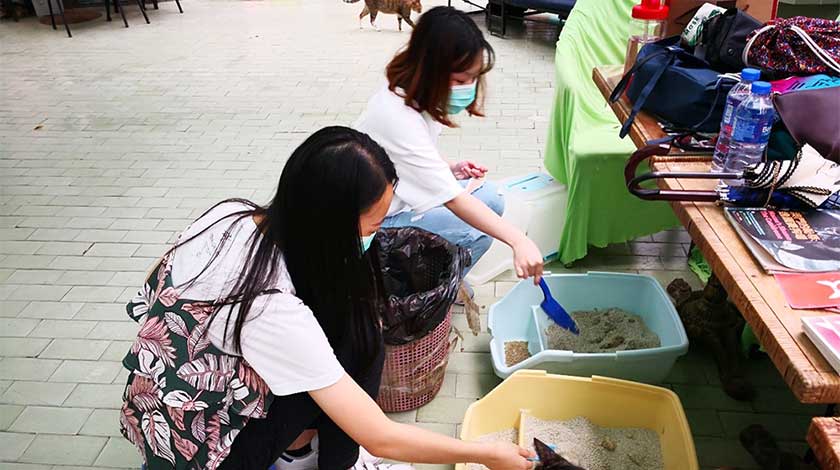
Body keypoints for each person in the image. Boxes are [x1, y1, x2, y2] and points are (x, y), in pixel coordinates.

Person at [120, 127, 534, 470]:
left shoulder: (230, 214)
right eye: (372, 228)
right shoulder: (271, 309)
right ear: (329, 226)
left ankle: (304, 449)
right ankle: (314, 460)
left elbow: (149, 297)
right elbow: (381, 437)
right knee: (359, 343)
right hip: (203, 449)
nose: (374, 237)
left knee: (352, 331)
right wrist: (484, 453)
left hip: (153, 401)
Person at [354, 6, 543, 286]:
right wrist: (518, 241)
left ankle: (440, 277)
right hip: (372, 226)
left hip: (397, 203)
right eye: (460, 80)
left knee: (491, 199)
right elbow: (452, 200)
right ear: (429, 69)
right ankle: (424, 294)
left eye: (473, 78)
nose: (468, 87)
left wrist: (450, 167)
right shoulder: (396, 116)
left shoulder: (414, 92)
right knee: (477, 232)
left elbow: (406, 156)